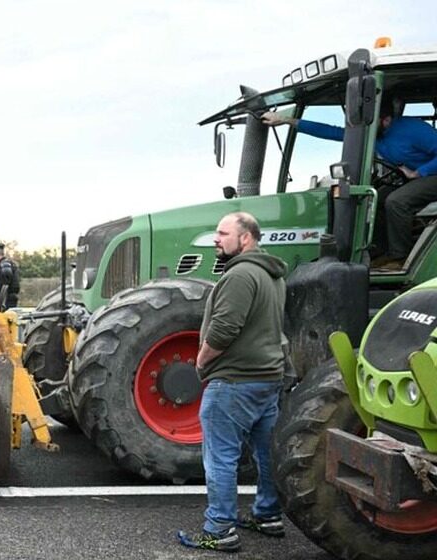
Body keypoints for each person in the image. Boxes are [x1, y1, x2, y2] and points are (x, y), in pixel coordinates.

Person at [178, 212, 287, 553]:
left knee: (221, 457)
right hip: (267, 378)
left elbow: (225, 329)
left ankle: (220, 529)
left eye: (224, 233)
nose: (216, 238)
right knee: (266, 453)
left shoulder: (239, 275)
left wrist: (201, 359)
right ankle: (268, 515)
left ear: (246, 238)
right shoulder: (274, 276)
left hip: (234, 381)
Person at [262, 94, 437, 271]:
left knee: (397, 201)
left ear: (386, 120)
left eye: (370, 121)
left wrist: (420, 172)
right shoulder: (374, 134)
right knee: (374, 199)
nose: (365, 127)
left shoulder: (413, 129)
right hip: (415, 178)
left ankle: (401, 258)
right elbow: (334, 132)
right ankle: (384, 252)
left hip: (432, 176)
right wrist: (286, 120)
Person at [0, 242, 20, 311]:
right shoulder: (3, 265)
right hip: (6, 305)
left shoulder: (5, 266)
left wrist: (1, 306)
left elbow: (3, 289)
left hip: (5, 306)